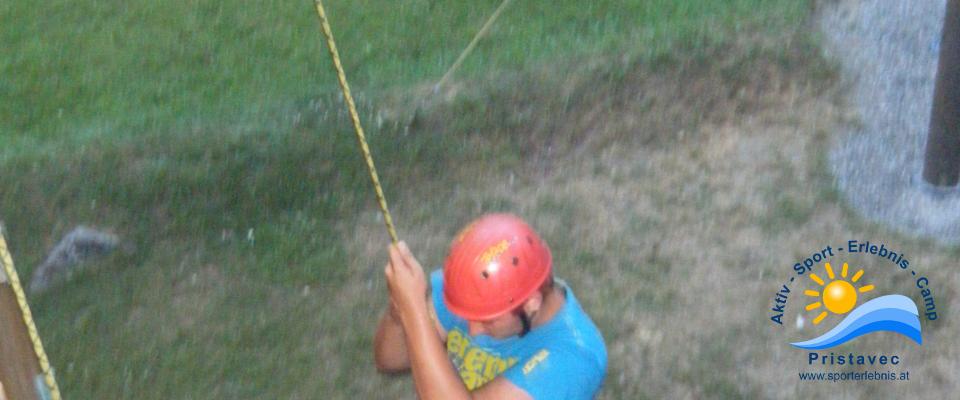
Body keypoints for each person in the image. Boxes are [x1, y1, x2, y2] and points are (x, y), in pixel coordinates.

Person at [374, 213, 607, 399]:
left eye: (488, 320)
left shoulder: (576, 358)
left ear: (531, 303)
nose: (473, 331)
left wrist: (413, 310)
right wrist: (399, 312)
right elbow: (389, 360)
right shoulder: (471, 289)